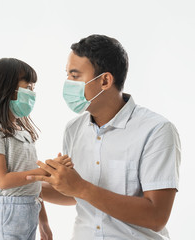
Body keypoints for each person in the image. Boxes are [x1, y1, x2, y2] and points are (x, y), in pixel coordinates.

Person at [27, 34, 181, 239]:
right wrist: (30, 184)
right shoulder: (73, 129)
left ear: (105, 80)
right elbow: (76, 195)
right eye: (67, 75)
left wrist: (81, 187)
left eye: (75, 76)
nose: (68, 83)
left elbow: (156, 216)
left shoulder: (157, 130)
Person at [0, 58, 72, 240]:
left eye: (33, 89)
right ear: (7, 88)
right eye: (28, 87)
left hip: (30, 208)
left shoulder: (24, 132)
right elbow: (3, 181)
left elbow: (33, 185)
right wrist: (47, 169)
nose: (32, 94)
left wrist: (44, 224)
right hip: (8, 211)